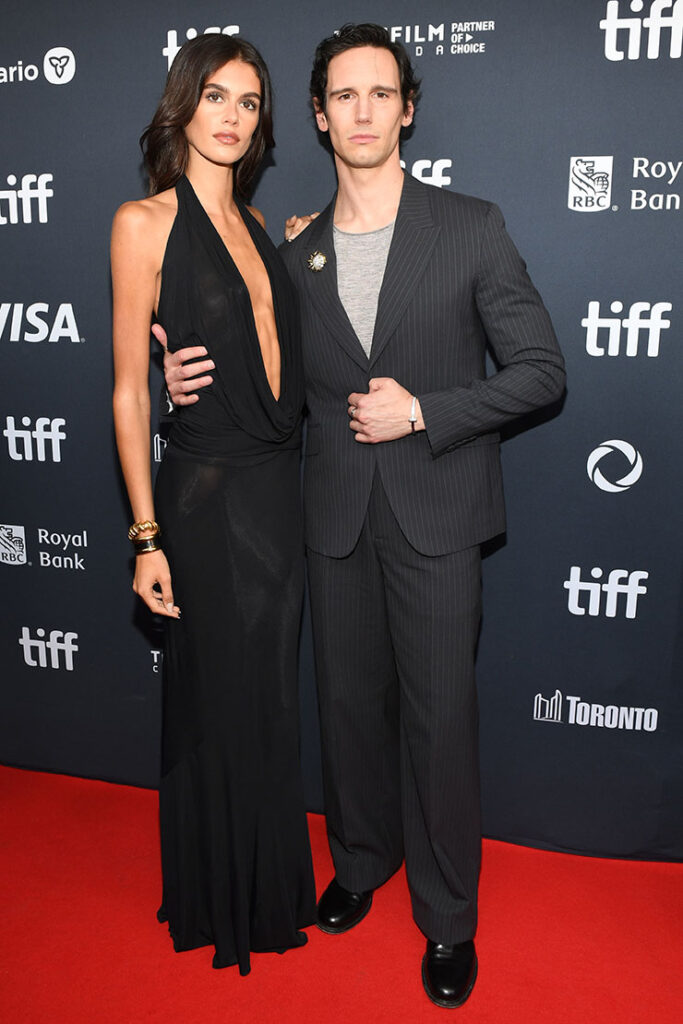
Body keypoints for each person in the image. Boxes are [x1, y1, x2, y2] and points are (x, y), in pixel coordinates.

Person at [162, 24, 566, 1007]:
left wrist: (425, 408)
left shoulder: (470, 225)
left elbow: (541, 371)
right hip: (331, 519)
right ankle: (357, 861)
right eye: (341, 95)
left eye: (379, 93)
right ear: (316, 114)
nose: (361, 111)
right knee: (344, 717)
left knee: (437, 726)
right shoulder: (289, 251)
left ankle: (447, 919)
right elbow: (262, 377)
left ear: (407, 107)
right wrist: (174, 382)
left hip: (437, 518)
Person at [110, 34, 315, 975]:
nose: (233, 117)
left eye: (249, 102)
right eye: (217, 97)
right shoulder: (144, 223)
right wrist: (144, 536)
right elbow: (127, 390)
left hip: (279, 488)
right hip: (205, 498)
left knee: (269, 701)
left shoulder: (267, 225)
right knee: (222, 701)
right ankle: (221, 895)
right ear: (183, 105)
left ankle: (269, 884)